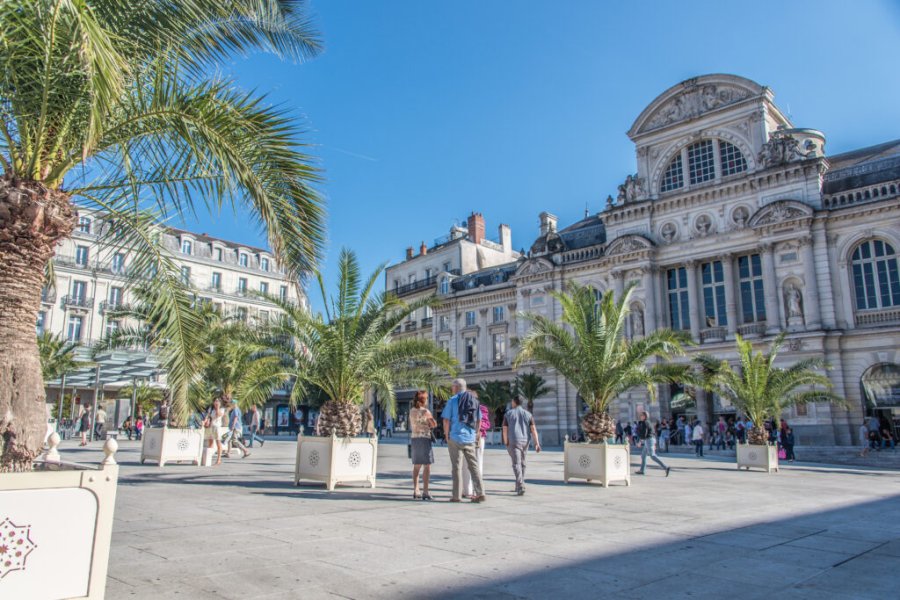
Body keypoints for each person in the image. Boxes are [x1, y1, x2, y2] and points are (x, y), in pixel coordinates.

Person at [441, 378, 485, 503]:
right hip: (470, 437)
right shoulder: (474, 401)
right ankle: (481, 493)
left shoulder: (452, 400)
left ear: (456, 388)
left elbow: (446, 420)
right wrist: (476, 432)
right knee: (474, 466)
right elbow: (479, 419)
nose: (451, 389)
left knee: (456, 467)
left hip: (455, 437)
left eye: (452, 387)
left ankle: (456, 496)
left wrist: (446, 434)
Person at [502, 395, 541, 495]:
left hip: (514, 441)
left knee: (516, 463)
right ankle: (519, 484)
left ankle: (520, 485)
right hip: (525, 441)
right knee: (522, 463)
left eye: (512, 401)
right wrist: (537, 443)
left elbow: (505, 429)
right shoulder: (528, 414)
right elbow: (533, 429)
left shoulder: (508, 414)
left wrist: (506, 441)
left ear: (514, 402)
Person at [409, 391, 437, 500]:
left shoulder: (411, 411)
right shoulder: (426, 411)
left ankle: (416, 490)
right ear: (423, 400)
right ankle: (425, 491)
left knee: (416, 466)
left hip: (415, 438)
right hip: (425, 439)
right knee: (427, 466)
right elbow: (433, 424)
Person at [462, 397, 490, 499]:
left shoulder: (482, 409)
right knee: (466, 465)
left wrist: (476, 428)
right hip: (468, 438)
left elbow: (486, 424)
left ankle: (476, 489)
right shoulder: (464, 409)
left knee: (476, 464)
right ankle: (468, 490)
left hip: (477, 439)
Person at [635, 411, 671, 477]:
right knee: (643, 455)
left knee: (652, 456)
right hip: (649, 440)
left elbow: (644, 433)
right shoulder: (648, 422)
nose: (640, 417)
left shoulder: (645, 423)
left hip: (649, 440)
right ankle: (642, 470)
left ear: (645, 416)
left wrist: (640, 441)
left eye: (641, 415)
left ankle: (666, 467)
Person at [203, 398, 228, 465]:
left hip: (217, 427)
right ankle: (208, 458)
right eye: (215, 401)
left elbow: (218, 415)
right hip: (210, 427)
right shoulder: (211, 409)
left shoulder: (222, 409)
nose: (216, 402)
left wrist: (217, 407)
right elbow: (207, 416)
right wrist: (205, 421)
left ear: (220, 402)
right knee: (210, 443)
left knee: (218, 443)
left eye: (217, 401)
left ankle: (219, 459)